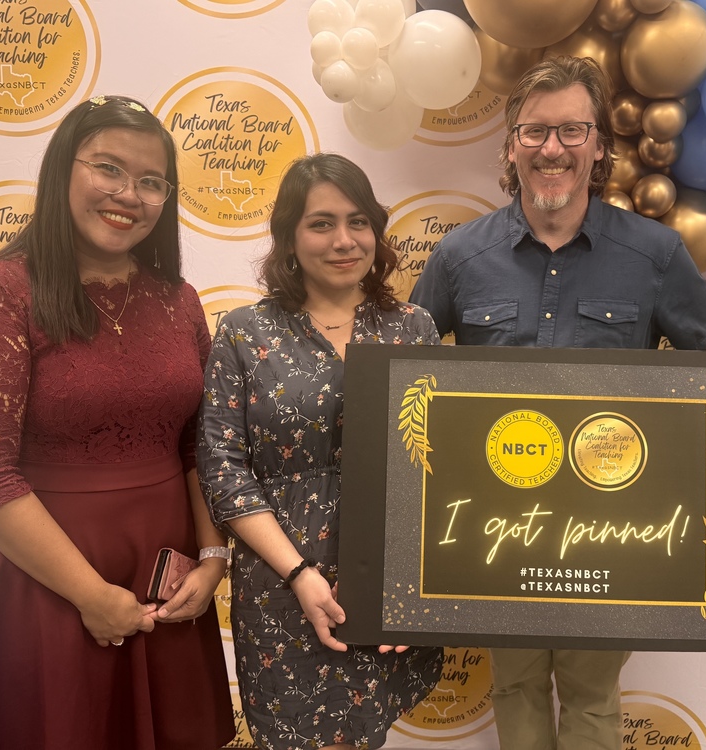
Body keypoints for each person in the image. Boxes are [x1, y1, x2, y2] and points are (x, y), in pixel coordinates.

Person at [410, 56, 706, 750]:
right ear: (511, 145)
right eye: (534, 131)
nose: (552, 148)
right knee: (515, 687)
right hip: (494, 527)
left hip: (611, 527)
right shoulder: (460, 256)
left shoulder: (654, 253)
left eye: (571, 131)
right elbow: (406, 372)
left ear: (598, 145)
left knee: (593, 699)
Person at [0, 95, 235, 750]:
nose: (130, 194)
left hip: (167, 582)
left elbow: (198, 445)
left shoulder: (179, 301)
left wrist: (213, 559)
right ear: (62, 169)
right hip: (46, 582)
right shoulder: (0, 294)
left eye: (152, 181)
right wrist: (90, 596)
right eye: (109, 168)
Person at [196, 153, 444, 750]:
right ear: (289, 236)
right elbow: (222, 467)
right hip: (281, 583)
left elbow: (438, 470)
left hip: (387, 584)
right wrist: (300, 573)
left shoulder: (414, 327)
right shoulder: (243, 333)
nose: (344, 240)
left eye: (358, 222)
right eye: (321, 223)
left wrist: (409, 590)